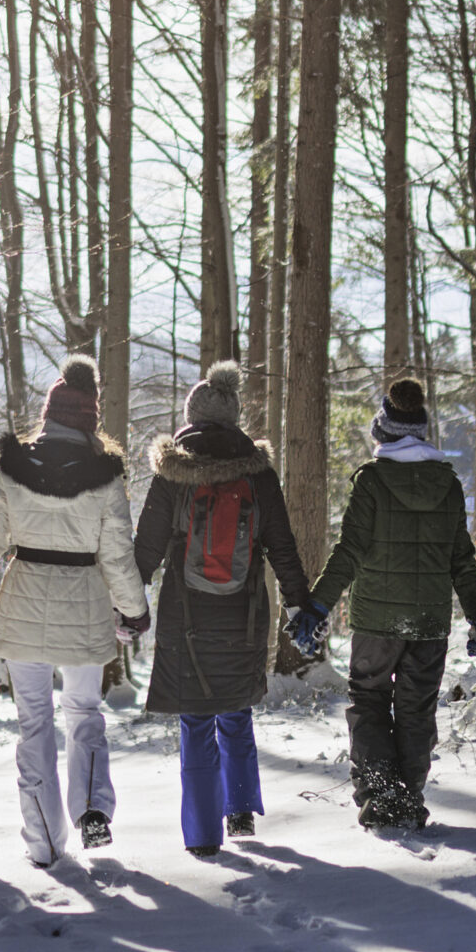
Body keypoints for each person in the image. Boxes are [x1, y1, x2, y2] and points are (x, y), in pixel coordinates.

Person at [290, 379, 476, 830]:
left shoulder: (372, 481)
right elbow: (462, 559)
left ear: (384, 431)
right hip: (429, 622)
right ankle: (408, 798)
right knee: (417, 709)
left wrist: (318, 606)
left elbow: (349, 551)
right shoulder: (448, 483)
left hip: (377, 623)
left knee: (370, 700)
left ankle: (383, 798)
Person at [135, 362, 313, 858]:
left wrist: (128, 606)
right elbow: (282, 547)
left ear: (191, 418)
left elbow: (146, 549)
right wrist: (300, 603)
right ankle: (239, 813)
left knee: (195, 720)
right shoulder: (258, 473)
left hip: (184, 616)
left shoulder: (173, 472)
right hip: (245, 614)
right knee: (235, 711)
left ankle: (202, 837)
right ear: (234, 418)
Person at [0, 356, 147, 866]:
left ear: (49, 413)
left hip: (23, 600)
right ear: (90, 421)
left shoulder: (13, 468)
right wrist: (134, 610)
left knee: (33, 725)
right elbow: (117, 551)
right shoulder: (106, 477)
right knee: (84, 714)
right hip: (85, 605)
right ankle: (93, 809)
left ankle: (44, 843)